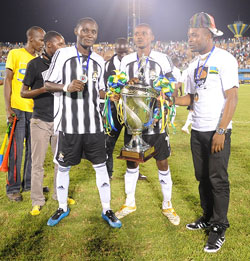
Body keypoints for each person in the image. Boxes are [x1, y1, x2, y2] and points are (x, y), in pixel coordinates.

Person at [44, 17, 122, 228]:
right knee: (63, 168)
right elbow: (47, 83)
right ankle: (62, 206)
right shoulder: (63, 54)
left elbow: (101, 90)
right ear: (76, 31)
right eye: (85, 30)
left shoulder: (99, 60)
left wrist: (113, 95)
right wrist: (66, 87)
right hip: (68, 125)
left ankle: (107, 209)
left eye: (93, 32)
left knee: (101, 167)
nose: (89, 34)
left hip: (94, 126)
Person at [173, 12, 238, 252]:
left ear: (208, 35)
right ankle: (208, 216)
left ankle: (219, 226)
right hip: (198, 129)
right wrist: (168, 100)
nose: (189, 39)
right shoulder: (193, 65)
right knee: (201, 177)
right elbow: (191, 98)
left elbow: (232, 97)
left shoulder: (224, 59)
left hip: (216, 130)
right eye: (188, 34)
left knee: (217, 179)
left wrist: (221, 130)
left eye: (194, 34)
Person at [115, 23, 180, 226]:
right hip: (133, 121)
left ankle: (167, 204)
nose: (140, 36)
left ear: (152, 37)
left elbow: (173, 85)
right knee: (132, 161)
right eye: (136, 34)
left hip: (156, 121)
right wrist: (126, 85)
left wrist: (165, 92)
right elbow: (117, 87)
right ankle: (130, 202)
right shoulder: (125, 60)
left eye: (144, 33)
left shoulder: (162, 59)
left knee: (162, 161)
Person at [20, 31, 68, 215]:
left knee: (60, 163)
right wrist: (43, 88)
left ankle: (58, 195)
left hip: (59, 120)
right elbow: (23, 93)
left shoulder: (64, 64)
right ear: (49, 45)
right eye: (60, 44)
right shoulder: (34, 64)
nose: (63, 47)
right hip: (40, 120)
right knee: (37, 163)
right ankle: (37, 200)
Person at [4, 26, 45, 202]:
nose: (43, 43)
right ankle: (13, 188)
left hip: (34, 111)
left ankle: (29, 184)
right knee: (16, 150)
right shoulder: (15, 54)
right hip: (18, 109)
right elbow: (7, 80)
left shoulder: (38, 60)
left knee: (32, 151)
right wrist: (8, 108)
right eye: (41, 39)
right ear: (31, 38)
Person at [103, 38, 129, 180]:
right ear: (115, 51)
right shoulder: (107, 65)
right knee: (109, 141)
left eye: (125, 52)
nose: (123, 55)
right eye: (120, 52)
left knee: (132, 142)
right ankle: (108, 172)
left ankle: (133, 171)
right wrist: (110, 95)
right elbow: (102, 87)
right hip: (113, 108)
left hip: (130, 108)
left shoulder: (134, 64)